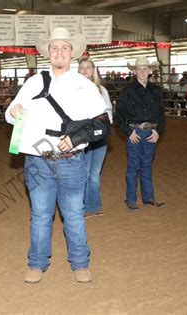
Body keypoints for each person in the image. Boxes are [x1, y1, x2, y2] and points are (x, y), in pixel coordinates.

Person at [5, 27, 109, 284]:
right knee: (40, 213)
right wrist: (14, 110)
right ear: (48, 53)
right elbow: (10, 114)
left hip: (71, 160)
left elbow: (102, 124)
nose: (59, 52)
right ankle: (37, 263)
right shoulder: (33, 82)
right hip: (38, 160)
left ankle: (80, 263)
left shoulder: (85, 86)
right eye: (54, 48)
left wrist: (76, 138)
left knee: (73, 213)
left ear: (72, 53)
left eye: (64, 48)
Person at [116, 56, 166, 211]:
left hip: (151, 131)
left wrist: (158, 131)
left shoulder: (156, 90)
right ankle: (131, 199)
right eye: (139, 69)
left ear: (150, 71)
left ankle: (148, 197)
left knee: (146, 165)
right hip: (135, 132)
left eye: (145, 69)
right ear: (135, 71)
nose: (143, 71)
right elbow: (118, 115)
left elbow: (161, 113)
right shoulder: (127, 91)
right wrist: (128, 132)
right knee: (133, 166)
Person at [78, 56, 113, 218]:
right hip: (82, 137)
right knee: (84, 173)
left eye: (88, 67)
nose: (85, 70)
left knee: (94, 174)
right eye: (82, 67)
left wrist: (105, 127)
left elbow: (108, 111)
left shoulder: (101, 90)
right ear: (78, 71)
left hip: (99, 137)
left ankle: (95, 206)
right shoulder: (74, 90)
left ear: (94, 71)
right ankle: (83, 207)